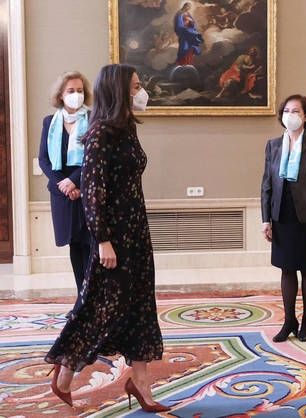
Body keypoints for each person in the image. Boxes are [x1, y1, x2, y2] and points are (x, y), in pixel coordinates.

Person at [44, 64, 169, 412]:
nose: (141, 92)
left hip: (136, 233)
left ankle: (141, 383)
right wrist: (102, 240)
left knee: (141, 308)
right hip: (112, 237)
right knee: (99, 308)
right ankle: (64, 375)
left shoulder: (127, 127)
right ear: (118, 90)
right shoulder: (100, 133)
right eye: (136, 87)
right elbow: (93, 192)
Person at [261, 94, 306, 343]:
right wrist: (266, 219)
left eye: (295, 111)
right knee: (286, 268)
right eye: (286, 111)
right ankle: (289, 320)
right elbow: (266, 184)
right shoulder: (273, 145)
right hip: (282, 215)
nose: (290, 115)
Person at [38, 71, 92, 316]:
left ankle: (89, 300)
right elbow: (44, 160)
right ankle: (81, 300)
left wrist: (75, 182)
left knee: (90, 245)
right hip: (62, 194)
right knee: (74, 244)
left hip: (87, 189)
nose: (76, 95)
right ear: (61, 95)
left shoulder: (93, 118)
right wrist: (64, 184)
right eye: (71, 91)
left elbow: (94, 158)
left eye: (80, 90)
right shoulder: (50, 122)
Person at [174, 1, 203, 66]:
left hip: (189, 31)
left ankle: (189, 63)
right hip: (184, 33)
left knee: (191, 47)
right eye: (188, 6)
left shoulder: (188, 13)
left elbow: (192, 23)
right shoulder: (180, 13)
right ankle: (182, 63)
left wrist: (191, 22)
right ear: (185, 6)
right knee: (184, 47)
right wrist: (185, 27)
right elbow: (179, 25)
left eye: (190, 7)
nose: (189, 8)